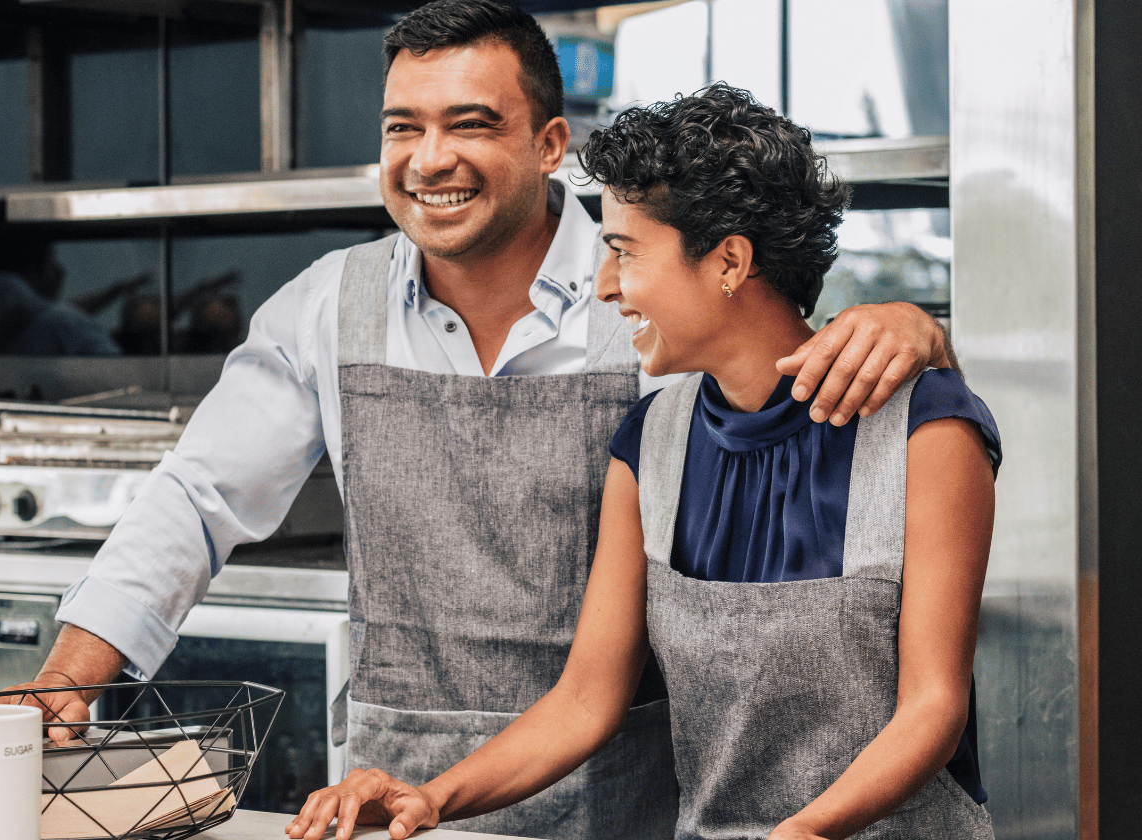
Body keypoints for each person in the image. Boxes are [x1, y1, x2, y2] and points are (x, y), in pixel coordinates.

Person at [0, 3, 956, 837]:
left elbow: (787, 364)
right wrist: (72, 676)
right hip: (403, 792)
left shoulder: (648, 301)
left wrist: (921, 330)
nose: (429, 159)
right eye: (401, 128)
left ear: (549, 146)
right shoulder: (329, 305)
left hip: (629, 795)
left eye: (470, 123)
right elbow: (198, 497)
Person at [284, 84, 999, 840]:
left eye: (624, 252)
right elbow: (586, 700)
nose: (604, 287)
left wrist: (805, 833)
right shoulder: (651, 439)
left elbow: (934, 708)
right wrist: (432, 797)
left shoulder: (926, 430)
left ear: (729, 262)